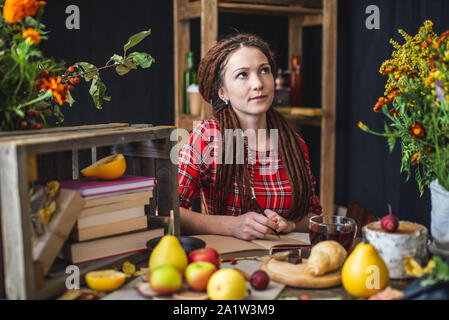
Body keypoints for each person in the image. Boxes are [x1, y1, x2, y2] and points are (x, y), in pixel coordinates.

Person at [178, 34, 322, 240]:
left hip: (283, 260)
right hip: (228, 263)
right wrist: (230, 226)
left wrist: (289, 224)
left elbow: (314, 217)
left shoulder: (294, 144)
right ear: (222, 92)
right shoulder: (209, 136)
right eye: (242, 75)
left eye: (264, 71)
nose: (258, 83)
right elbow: (167, 210)